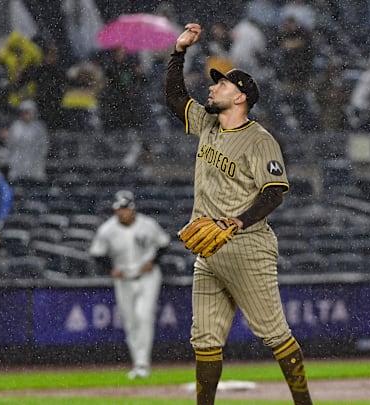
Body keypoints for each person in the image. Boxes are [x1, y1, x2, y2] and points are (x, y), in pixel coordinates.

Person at [165, 23, 313, 405]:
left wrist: (237, 221)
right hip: (209, 249)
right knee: (205, 341)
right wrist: (178, 52)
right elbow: (175, 98)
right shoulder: (208, 125)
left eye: (221, 84)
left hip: (247, 244)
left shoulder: (260, 140)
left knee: (275, 334)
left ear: (240, 96)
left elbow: (274, 192)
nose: (212, 88)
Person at [88, 190, 171, 380]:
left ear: (132, 208)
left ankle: (143, 363)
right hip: (124, 279)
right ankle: (139, 363)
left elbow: (164, 244)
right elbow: (97, 254)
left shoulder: (147, 225)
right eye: (119, 209)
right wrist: (110, 269)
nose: (122, 212)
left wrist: (154, 261)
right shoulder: (107, 229)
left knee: (144, 316)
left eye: (125, 208)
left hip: (147, 276)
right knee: (130, 322)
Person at [5, 100, 50, 186]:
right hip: (18, 167)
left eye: (27, 112)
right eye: (23, 112)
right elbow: (10, 145)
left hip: (35, 167)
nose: (25, 115)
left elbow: (44, 146)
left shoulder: (39, 128)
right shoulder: (15, 127)